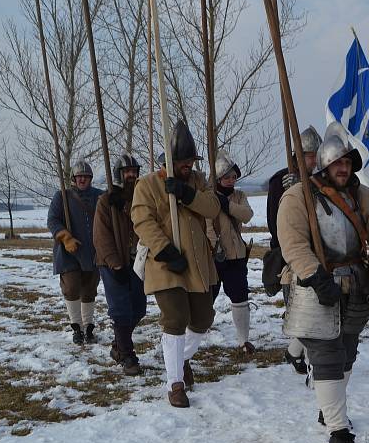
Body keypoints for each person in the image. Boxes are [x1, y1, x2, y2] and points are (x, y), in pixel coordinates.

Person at [277, 123, 369, 443]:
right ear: (324, 165)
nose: (344, 168)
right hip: (315, 286)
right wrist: (315, 276)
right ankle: (338, 431)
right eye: (338, 163)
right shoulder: (299, 197)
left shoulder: (363, 196)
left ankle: (330, 410)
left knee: (347, 351)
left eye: (348, 162)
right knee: (325, 355)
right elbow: (292, 242)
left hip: (357, 284)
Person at [131, 121, 222, 408]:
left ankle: (179, 360)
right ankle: (175, 384)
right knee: (175, 318)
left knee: (203, 318)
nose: (187, 166)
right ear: (169, 160)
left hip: (197, 264)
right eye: (182, 161)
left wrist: (186, 195)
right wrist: (166, 251)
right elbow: (143, 221)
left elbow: (213, 208)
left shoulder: (197, 182)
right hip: (165, 265)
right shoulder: (147, 185)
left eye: (190, 161)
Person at [265, 126, 322, 374]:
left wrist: (307, 186)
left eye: (316, 154)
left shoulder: (322, 179)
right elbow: (275, 223)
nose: (315, 159)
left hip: (321, 253)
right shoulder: (280, 180)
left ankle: (295, 352)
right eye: (310, 155)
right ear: (297, 155)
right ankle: (312, 367)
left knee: (317, 313)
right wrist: (289, 191)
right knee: (302, 312)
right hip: (293, 258)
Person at [93, 154, 146, 376]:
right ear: (118, 175)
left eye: (133, 171)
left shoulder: (141, 199)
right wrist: (115, 264)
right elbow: (101, 236)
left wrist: (125, 206)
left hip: (138, 263)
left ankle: (118, 345)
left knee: (139, 308)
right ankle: (127, 355)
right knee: (121, 310)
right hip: (113, 263)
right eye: (126, 172)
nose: (131, 175)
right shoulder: (106, 201)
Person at [47, 160, 103, 345]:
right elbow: (53, 220)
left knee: (89, 290)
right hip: (69, 252)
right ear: (73, 178)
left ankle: (88, 327)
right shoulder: (61, 196)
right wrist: (65, 237)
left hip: (93, 251)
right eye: (79, 176)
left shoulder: (99, 196)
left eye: (86, 177)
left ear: (90, 179)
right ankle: (76, 327)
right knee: (71, 289)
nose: (82, 180)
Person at [207, 151, 255, 353]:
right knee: (206, 300)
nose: (230, 180)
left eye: (233, 177)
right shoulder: (208, 197)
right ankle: (194, 337)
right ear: (218, 178)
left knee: (240, 297)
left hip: (236, 256)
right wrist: (214, 250)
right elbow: (207, 225)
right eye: (226, 177)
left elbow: (247, 215)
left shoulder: (239, 196)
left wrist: (227, 205)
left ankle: (243, 341)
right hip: (214, 257)